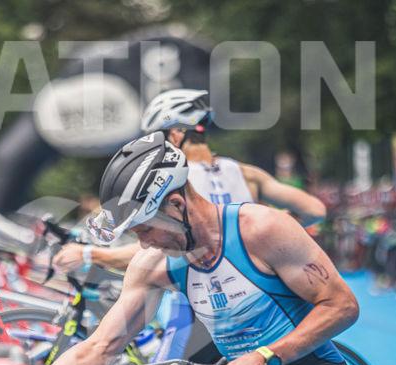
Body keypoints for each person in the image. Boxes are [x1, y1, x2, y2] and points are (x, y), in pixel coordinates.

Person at [50, 132, 359, 365]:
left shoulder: (262, 229)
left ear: (176, 204)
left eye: (146, 229)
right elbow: (101, 347)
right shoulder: (154, 264)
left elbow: (342, 306)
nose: (144, 243)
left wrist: (268, 356)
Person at [52, 89, 326, 273]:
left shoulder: (173, 181)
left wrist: (89, 254)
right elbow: (315, 210)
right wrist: (264, 232)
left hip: (198, 297)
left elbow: (154, 249)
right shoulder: (245, 172)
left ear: (175, 135)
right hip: (253, 278)